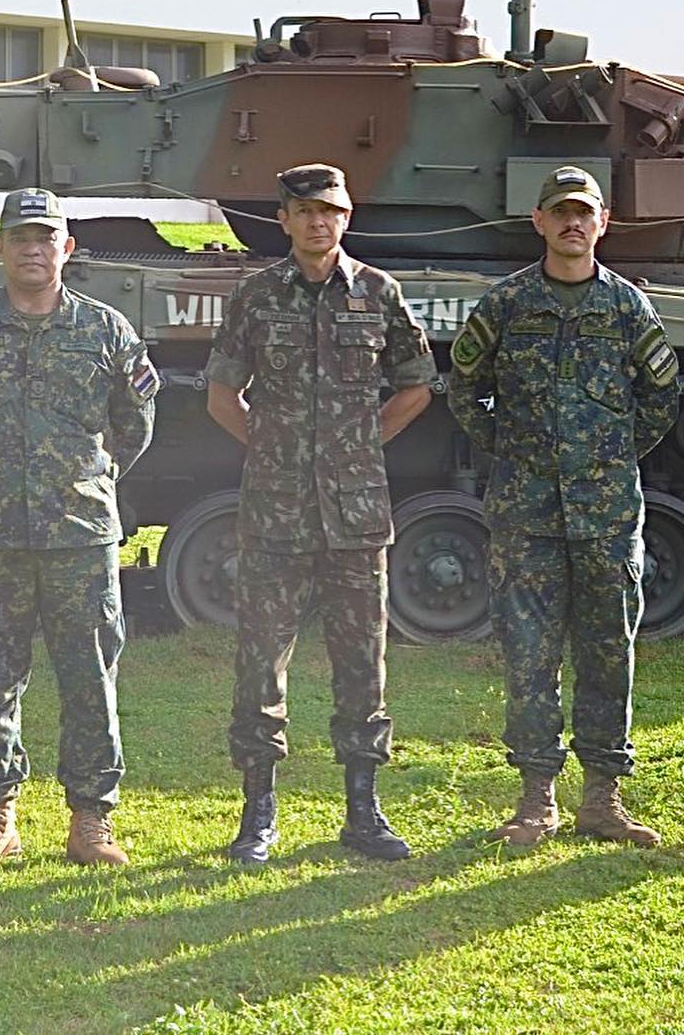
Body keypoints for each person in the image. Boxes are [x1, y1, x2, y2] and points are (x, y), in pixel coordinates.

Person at [0, 188, 158, 873]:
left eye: (45, 237)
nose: (32, 248)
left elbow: (134, 424)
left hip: (80, 536)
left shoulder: (105, 332)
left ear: (67, 250)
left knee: (89, 677)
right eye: (19, 237)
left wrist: (89, 478)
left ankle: (91, 820)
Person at [205, 163, 436, 865]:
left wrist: (359, 445)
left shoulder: (376, 292)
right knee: (260, 666)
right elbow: (222, 394)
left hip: (355, 515)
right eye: (304, 211)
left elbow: (416, 384)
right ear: (284, 220)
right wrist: (274, 448)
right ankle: (258, 815)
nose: (317, 222)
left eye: (329, 210)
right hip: (274, 513)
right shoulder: (255, 296)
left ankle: (363, 813)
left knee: (362, 664)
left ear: (347, 216)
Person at [447, 165, 679, 849]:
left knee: (610, 653)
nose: (573, 223)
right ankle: (535, 799)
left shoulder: (629, 307)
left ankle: (603, 798)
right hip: (527, 515)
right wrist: (511, 450)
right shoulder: (507, 306)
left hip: (607, 514)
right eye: (561, 212)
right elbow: (464, 387)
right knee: (529, 656)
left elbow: (661, 395)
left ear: (602, 224)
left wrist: (611, 455)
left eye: (585, 213)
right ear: (540, 223)